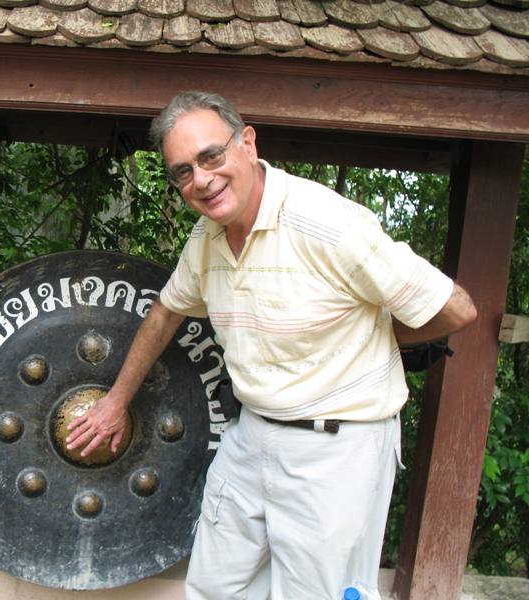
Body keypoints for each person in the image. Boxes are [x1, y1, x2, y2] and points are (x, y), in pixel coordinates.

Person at [66, 91, 477, 599]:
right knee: (216, 588)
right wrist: (115, 402)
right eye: (183, 171)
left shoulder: (328, 225)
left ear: (246, 142)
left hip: (337, 446)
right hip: (251, 435)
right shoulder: (207, 237)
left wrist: (373, 337)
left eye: (211, 156)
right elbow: (167, 310)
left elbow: (456, 309)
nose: (202, 179)